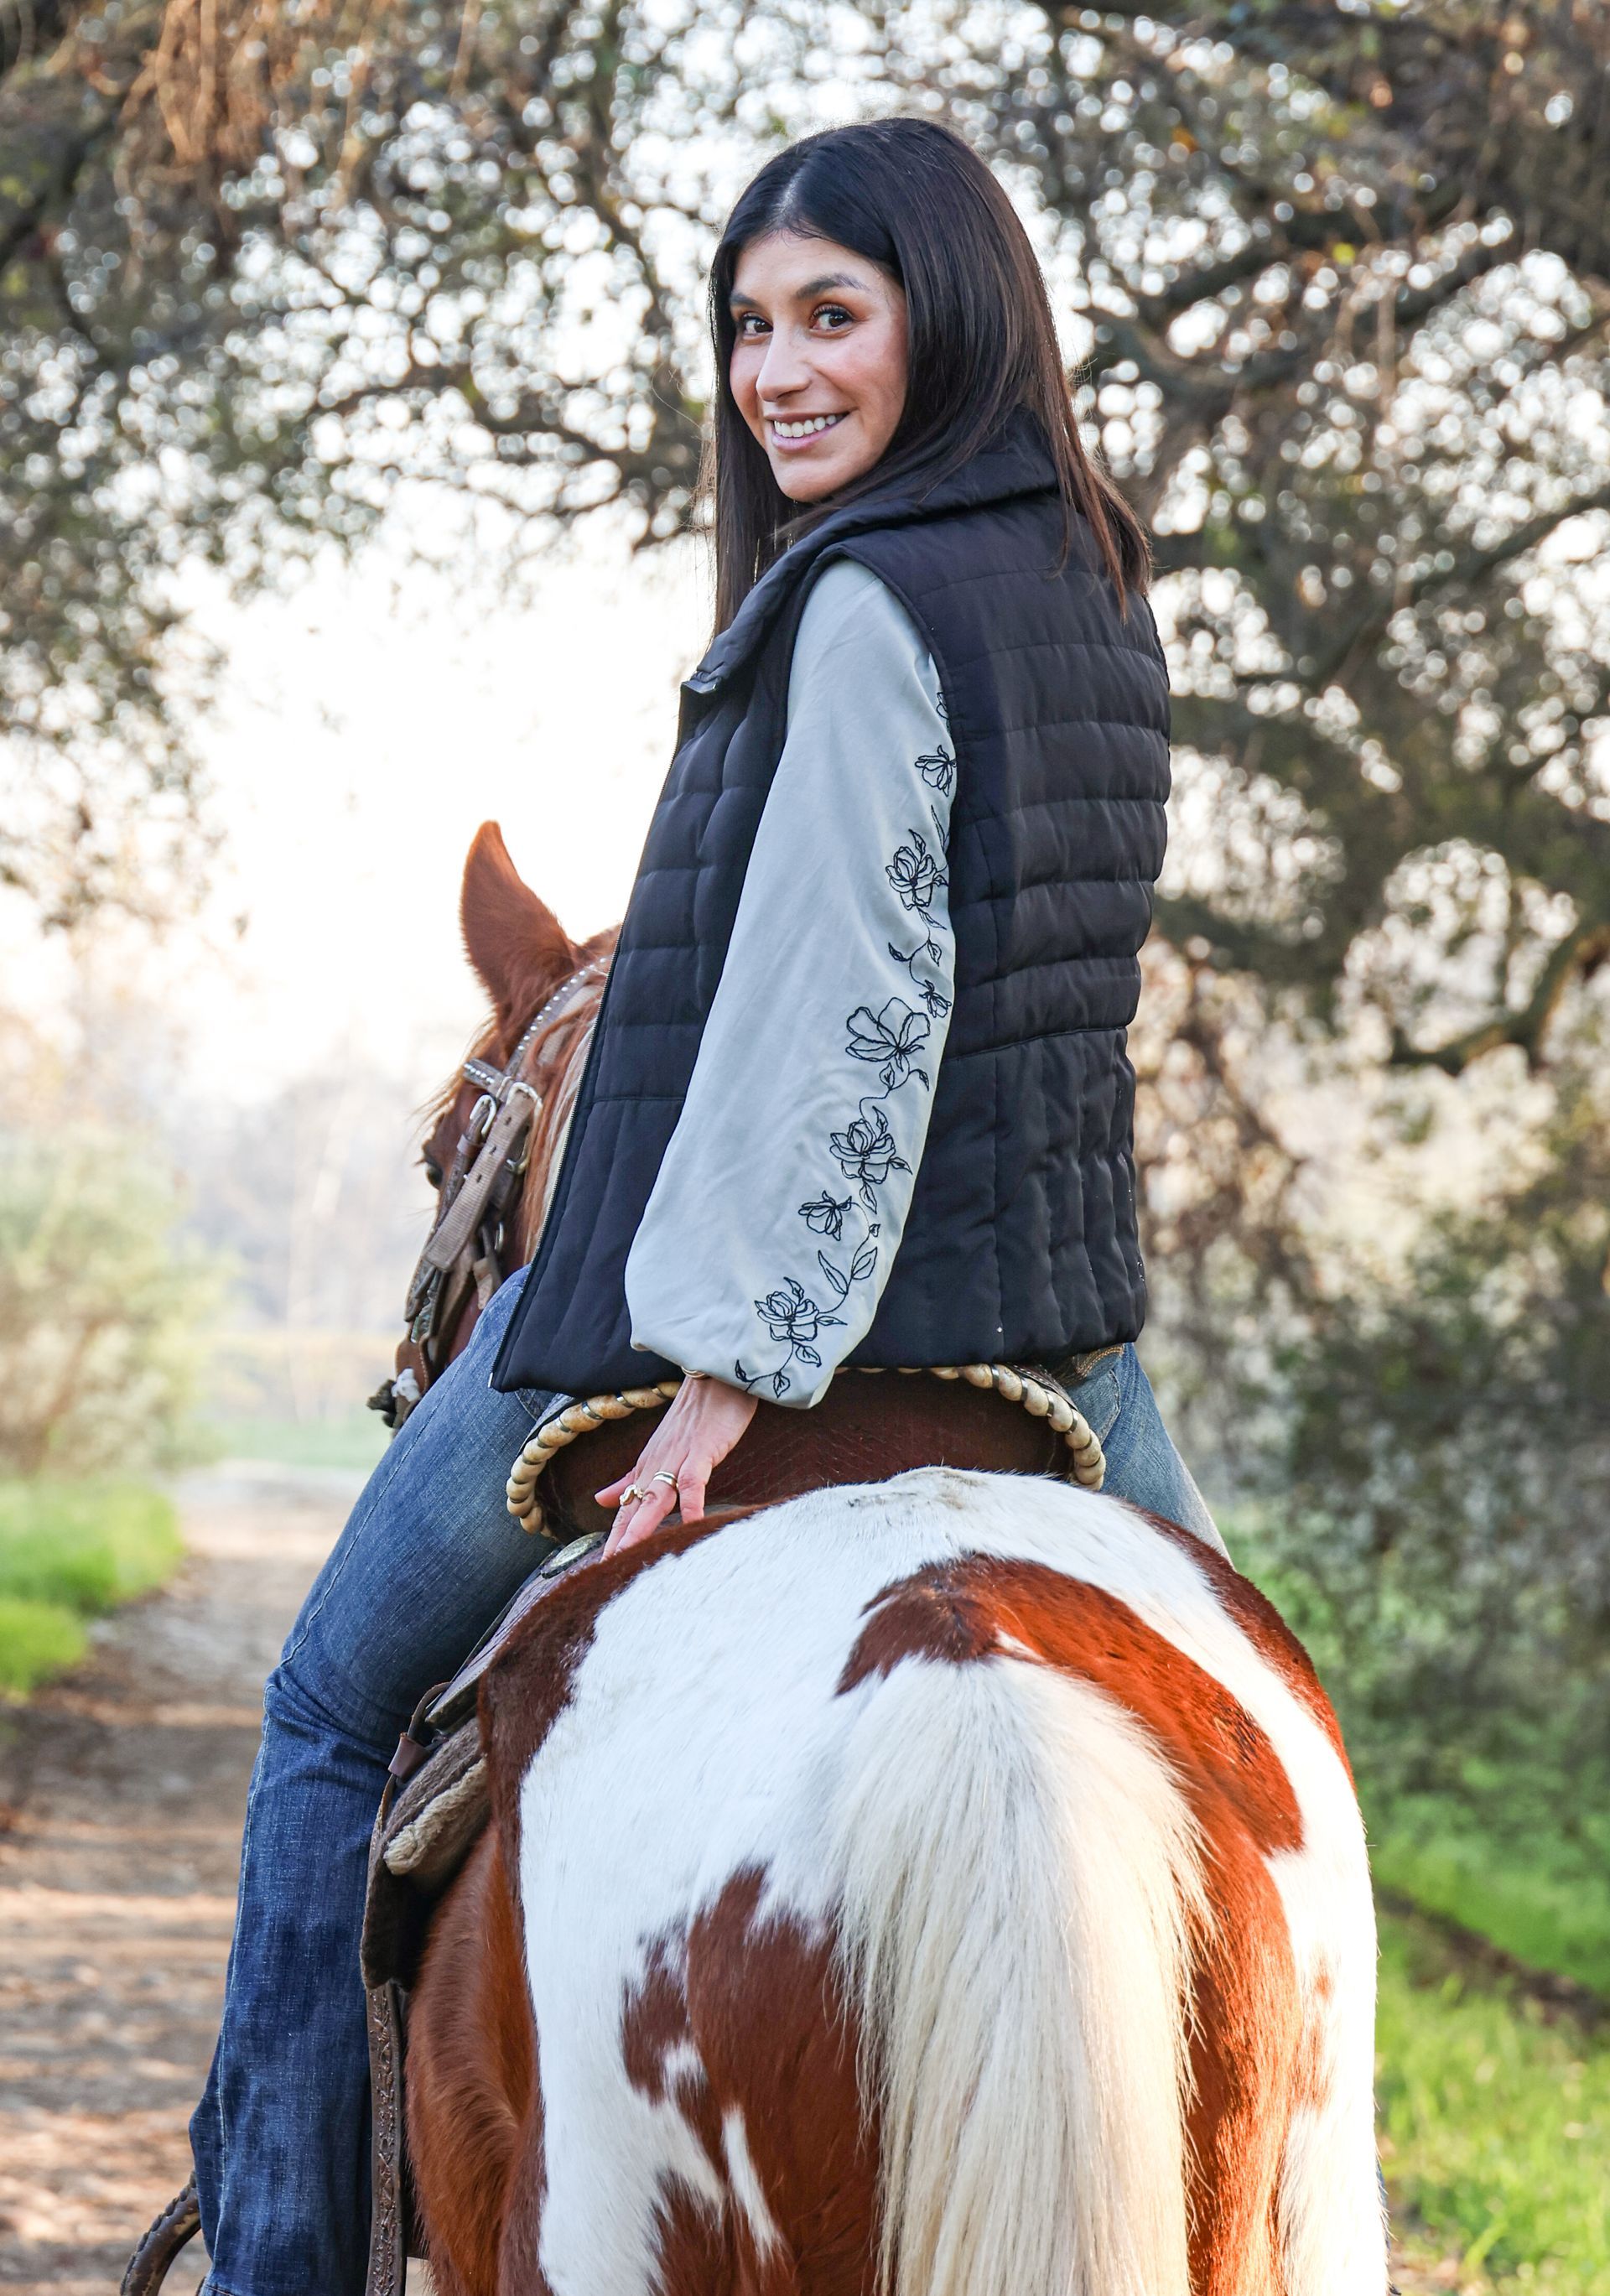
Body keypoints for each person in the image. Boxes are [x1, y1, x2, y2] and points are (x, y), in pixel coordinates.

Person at [186, 115, 1222, 2295]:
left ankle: (277, 2257)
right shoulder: (1098, 586)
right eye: (749, 324)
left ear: (945, 316)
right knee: (1229, 1788)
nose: (775, 370)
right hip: (1056, 1348)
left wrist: (726, 1375)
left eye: (828, 314)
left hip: (699, 1322)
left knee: (319, 1713)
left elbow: (837, 1008)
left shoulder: (853, 601)